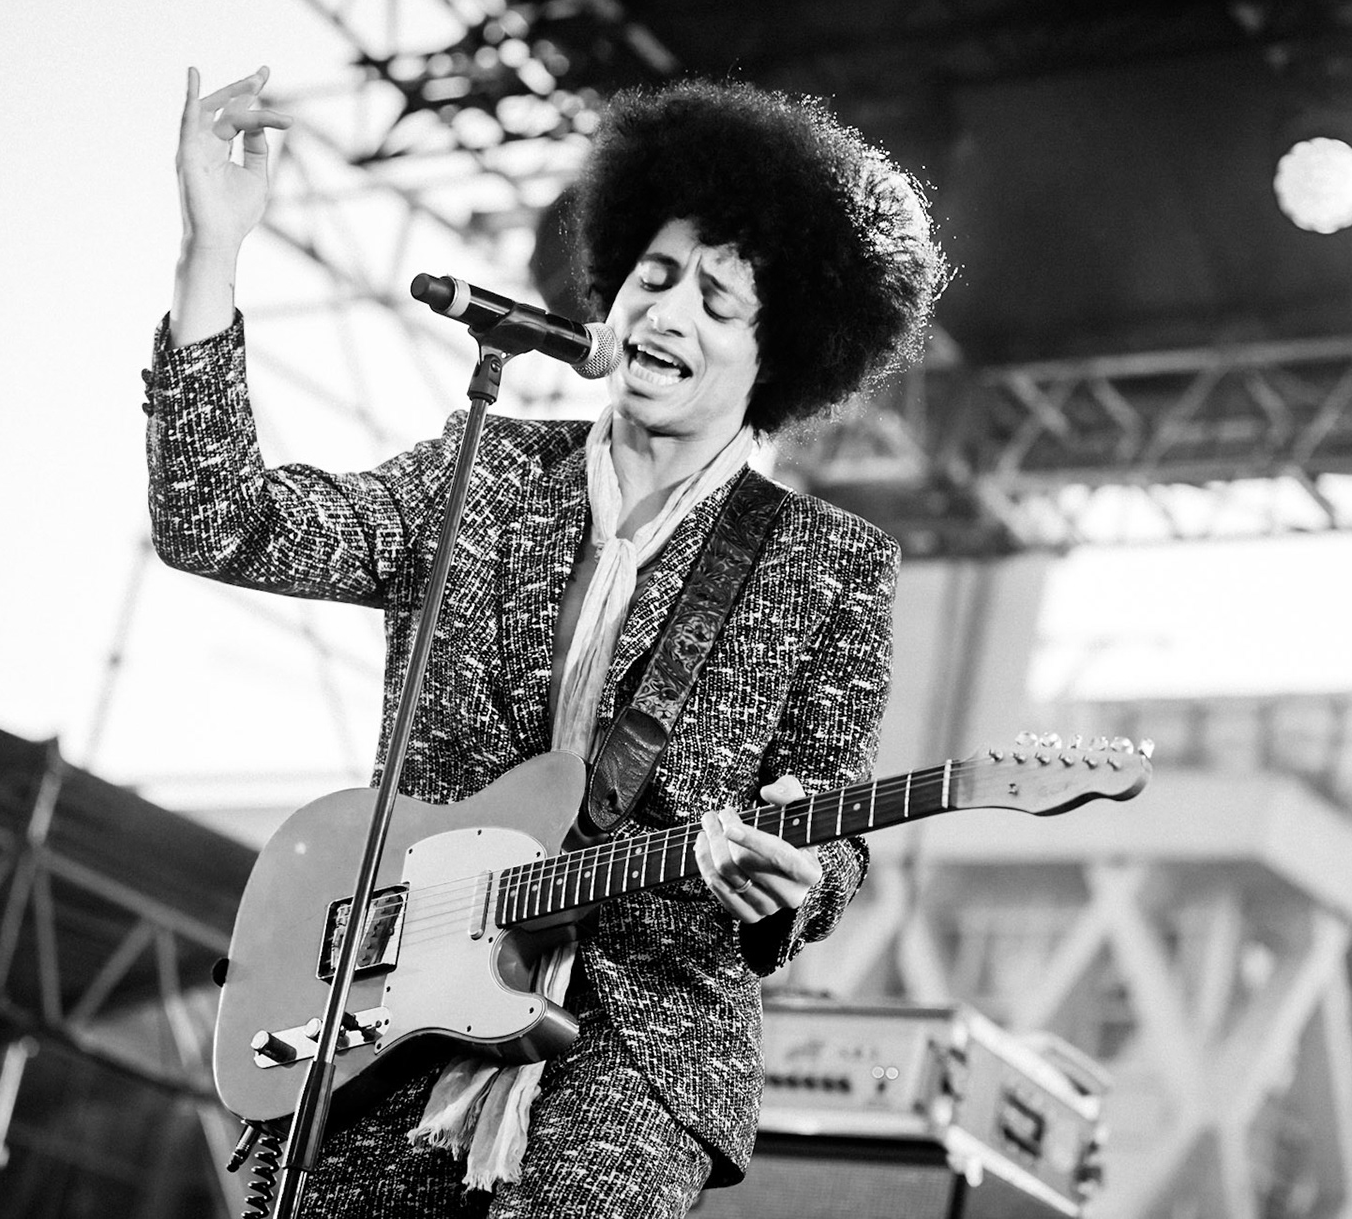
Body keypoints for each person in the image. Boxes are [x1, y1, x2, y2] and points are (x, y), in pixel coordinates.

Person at [147, 67, 947, 1217]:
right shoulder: (480, 474)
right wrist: (211, 252)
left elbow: (834, 820)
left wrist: (801, 877)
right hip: (386, 1012)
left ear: (780, 349)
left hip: (633, 1042)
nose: (666, 313)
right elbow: (224, 523)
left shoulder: (829, 564)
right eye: (653, 277)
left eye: (717, 300)